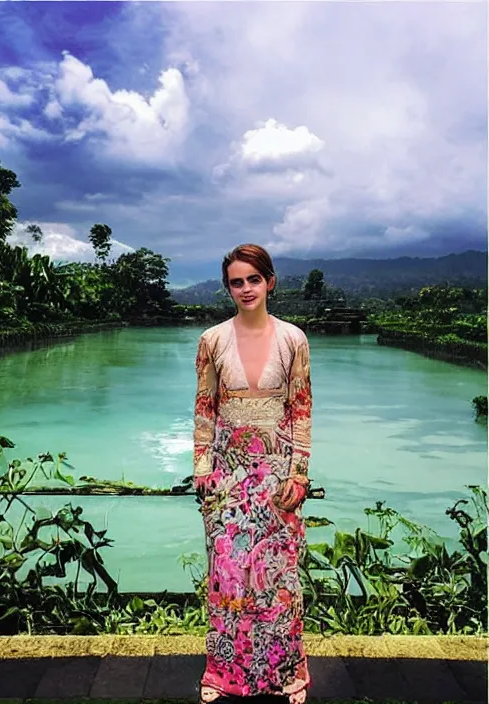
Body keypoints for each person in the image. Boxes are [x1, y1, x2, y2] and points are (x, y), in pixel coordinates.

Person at [193, 244, 312, 704]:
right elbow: (205, 408)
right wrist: (202, 466)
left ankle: (287, 673)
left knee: (279, 579)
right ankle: (221, 673)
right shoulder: (212, 340)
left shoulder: (293, 340)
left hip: (278, 476)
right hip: (226, 477)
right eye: (236, 282)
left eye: (253, 279)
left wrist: (299, 474)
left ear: (270, 282)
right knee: (226, 575)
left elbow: (301, 410)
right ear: (228, 288)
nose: (245, 289)